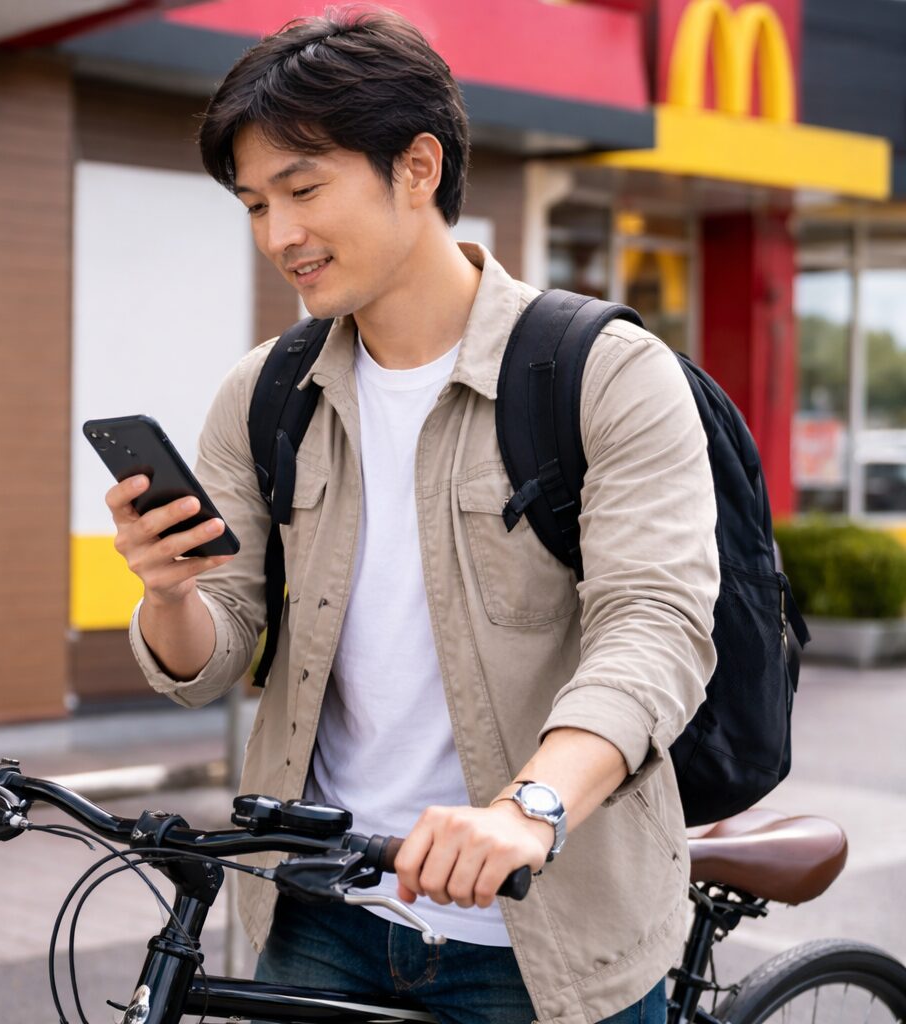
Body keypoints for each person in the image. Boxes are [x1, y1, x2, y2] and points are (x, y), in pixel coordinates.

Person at [103, 9, 720, 1024]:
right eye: (256, 204)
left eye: (304, 189)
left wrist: (529, 812)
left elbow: (655, 627)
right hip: (318, 912)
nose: (278, 235)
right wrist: (169, 592)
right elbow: (213, 652)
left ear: (418, 165)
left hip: (548, 931)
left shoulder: (603, 372)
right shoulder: (265, 391)